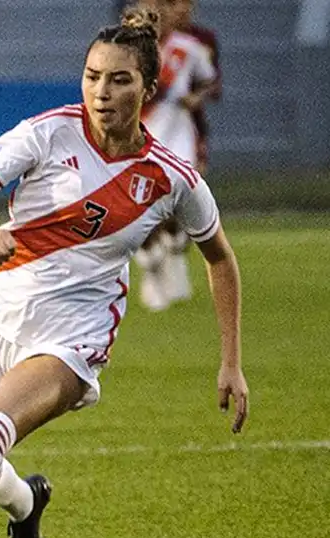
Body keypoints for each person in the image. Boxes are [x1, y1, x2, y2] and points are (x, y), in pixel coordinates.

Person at [0, 8, 247, 538]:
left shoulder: (172, 177)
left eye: (119, 79)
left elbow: (221, 260)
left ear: (148, 88)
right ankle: (27, 505)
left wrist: (230, 361)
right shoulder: (46, 132)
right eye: (91, 76)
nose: (101, 92)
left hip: (71, 332)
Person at [135, 0, 221, 310]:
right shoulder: (129, 50)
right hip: (140, 135)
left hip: (180, 134)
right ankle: (151, 264)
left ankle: (172, 250)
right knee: (143, 206)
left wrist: (195, 96)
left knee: (178, 200)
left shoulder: (190, 47)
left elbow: (211, 80)